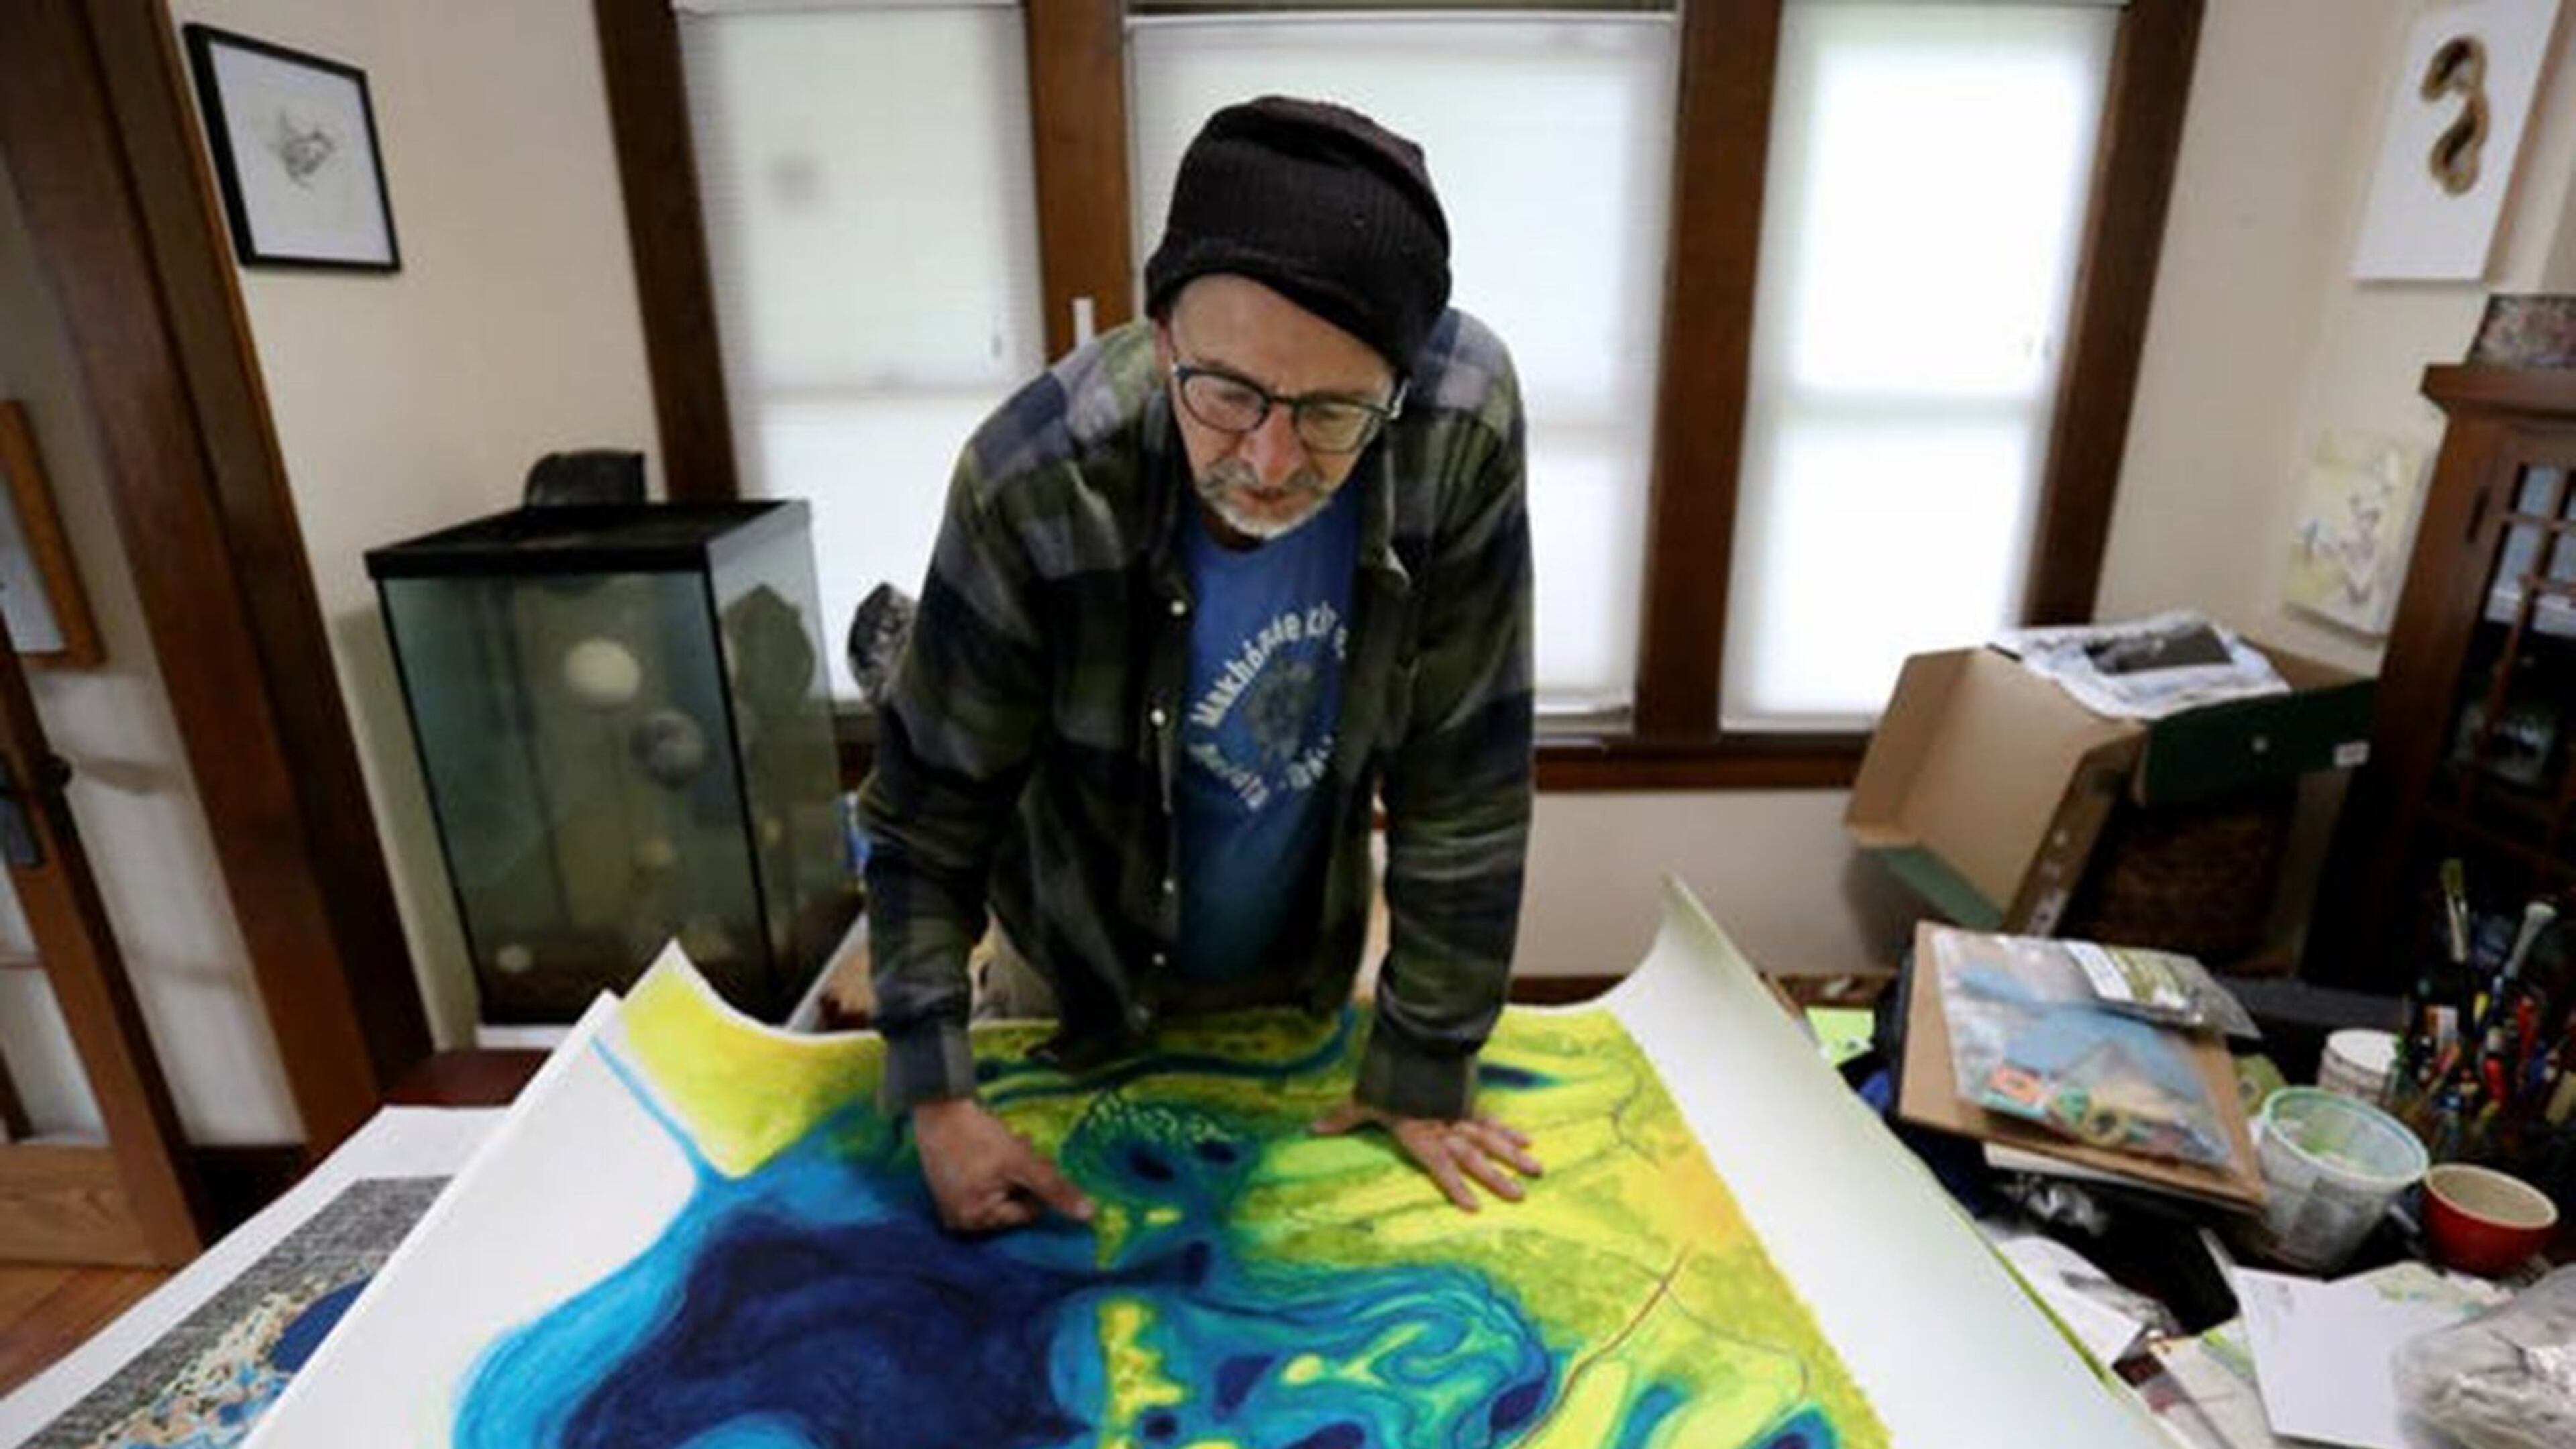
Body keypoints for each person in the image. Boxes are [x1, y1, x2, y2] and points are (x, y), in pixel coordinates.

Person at [859, 95, 1538, 1234]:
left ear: (1401, 386)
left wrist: (1424, 1061)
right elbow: (928, 821)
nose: (1269, 462)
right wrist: (938, 1097)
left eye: (1333, 413)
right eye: (1226, 394)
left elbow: (1464, 773)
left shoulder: (1459, 428)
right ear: (1164, 337)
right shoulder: (1035, 478)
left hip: (1301, 961)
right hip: (1070, 964)